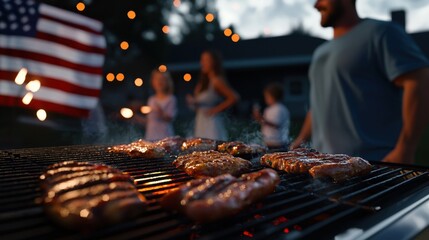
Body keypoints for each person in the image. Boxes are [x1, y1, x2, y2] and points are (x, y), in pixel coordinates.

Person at [290, 0, 429, 164]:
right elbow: (318, 103)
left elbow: (418, 81)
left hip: (374, 167)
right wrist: (301, 139)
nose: (316, 5)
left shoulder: (381, 32)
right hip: (323, 167)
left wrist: (405, 149)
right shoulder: (320, 52)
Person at [186, 50, 239, 140]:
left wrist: (215, 109)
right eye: (201, 60)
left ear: (214, 62)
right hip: (200, 120)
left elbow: (234, 97)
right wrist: (193, 102)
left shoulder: (216, 81)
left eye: (206, 60)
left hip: (212, 122)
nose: (202, 63)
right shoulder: (202, 82)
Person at [253, 82, 290, 149]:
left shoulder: (279, 109)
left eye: (267, 96)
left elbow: (276, 124)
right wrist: (258, 118)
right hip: (269, 142)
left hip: (277, 143)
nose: (265, 99)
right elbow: (265, 122)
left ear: (272, 96)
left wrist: (261, 118)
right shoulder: (269, 109)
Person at [144, 70, 177, 141]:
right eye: (157, 79)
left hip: (165, 137)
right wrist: (134, 117)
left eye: (162, 79)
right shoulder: (151, 99)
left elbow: (169, 118)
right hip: (151, 137)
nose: (159, 82)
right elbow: (149, 121)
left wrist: (159, 111)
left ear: (167, 82)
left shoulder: (171, 99)